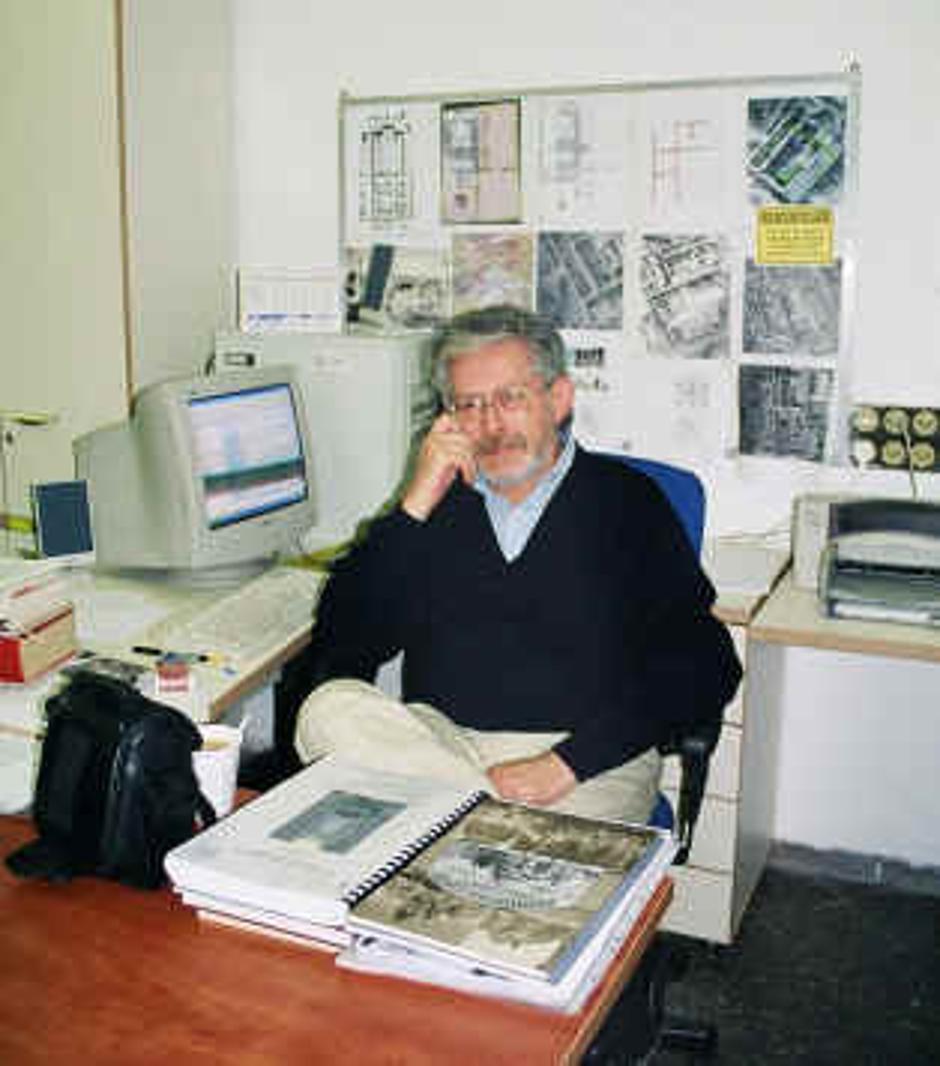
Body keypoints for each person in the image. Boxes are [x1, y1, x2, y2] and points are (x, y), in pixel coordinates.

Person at [290, 304, 741, 823]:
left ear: (559, 399)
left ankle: (461, 819)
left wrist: (568, 763)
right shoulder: (436, 507)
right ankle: (482, 814)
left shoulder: (626, 503)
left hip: (585, 763)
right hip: (444, 748)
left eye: (509, 399)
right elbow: (347, 639)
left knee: (451, 844)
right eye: (469, 405)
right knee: (325, 711)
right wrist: (414, 504)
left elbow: (707, 662)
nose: (490, 425)